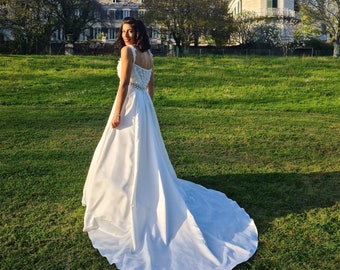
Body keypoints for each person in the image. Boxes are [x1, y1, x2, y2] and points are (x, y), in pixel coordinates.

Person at [82, 17, 258, 270]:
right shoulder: (149, 54)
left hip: (131, 104)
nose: (127, 35)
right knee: (140, 151)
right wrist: (147, 110)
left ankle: (122, 195)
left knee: (126, 151)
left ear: (139, 32)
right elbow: (150, 87)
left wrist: (118, 112)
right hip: (142, 105)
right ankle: (130, 187)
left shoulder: (127, 51)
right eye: (124, 32)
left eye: (131, 31)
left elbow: (123, 85)